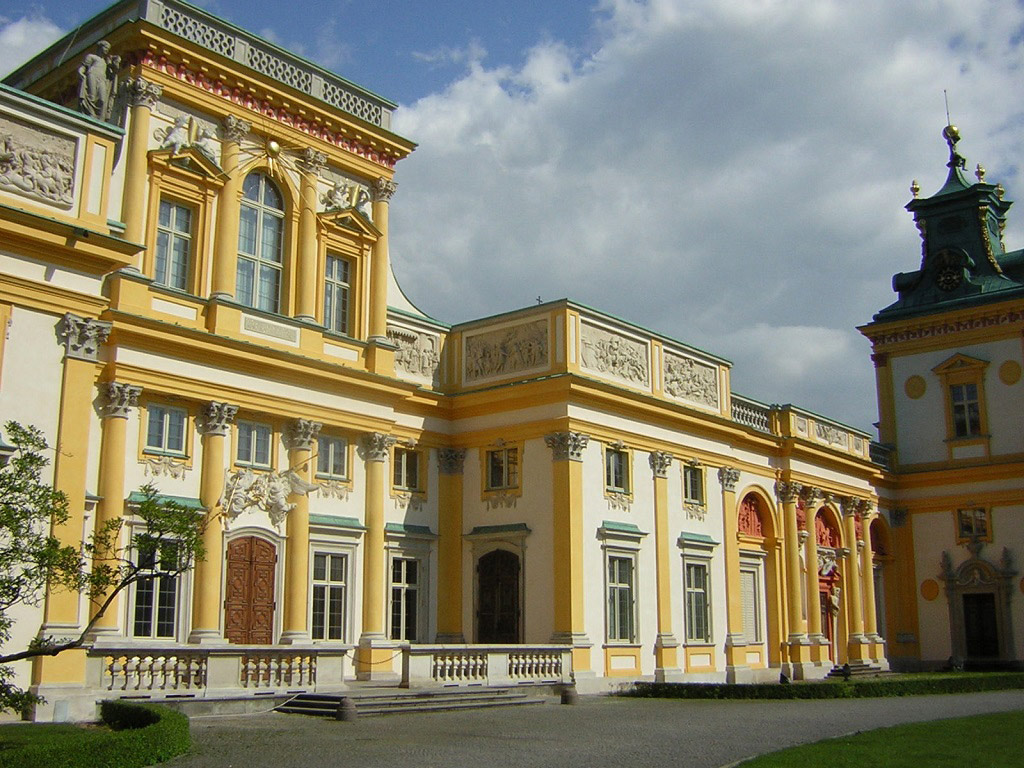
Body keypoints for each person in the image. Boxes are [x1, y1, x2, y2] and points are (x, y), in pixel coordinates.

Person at [78, 41, 119, 120]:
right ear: (100, 47)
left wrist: (115, 62)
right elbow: (83, 67)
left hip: (102, 79)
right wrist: (80, 72)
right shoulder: (91, 57)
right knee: (91, 96)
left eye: (108, 49)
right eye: (105, 48)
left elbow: (113, 72)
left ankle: (98, 117)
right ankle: (90, 114)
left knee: (102, 99)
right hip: (92, 75)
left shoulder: (106, 61)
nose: (107, 50)